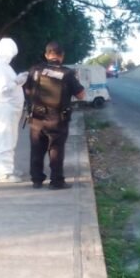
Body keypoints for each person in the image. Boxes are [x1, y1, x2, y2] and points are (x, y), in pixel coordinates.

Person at [22, 41, 85, 190]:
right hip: (57, 119)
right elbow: (81, 95)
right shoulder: (67, 73)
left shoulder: (35, 70)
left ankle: (36, 180)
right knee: (56, 150)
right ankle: (56, 182)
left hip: (36, 117)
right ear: (61, 56)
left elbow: (27, 91)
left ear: (46, 55)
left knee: (37, 149)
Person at [0, 38, 28, 183]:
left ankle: (8, 168)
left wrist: (18, 80)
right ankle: (4, 173)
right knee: (4, 139)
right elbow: (3, 89)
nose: (11, 56)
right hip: (4, 108)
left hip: (10, 109)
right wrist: (17, 81)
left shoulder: (4, 66)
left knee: (10, 140)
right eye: (11, 53)